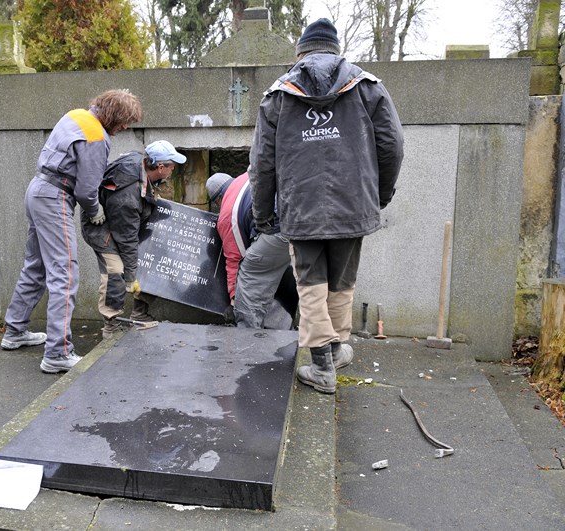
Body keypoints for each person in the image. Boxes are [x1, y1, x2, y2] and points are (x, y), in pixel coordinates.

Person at [248, 18, 404, 394]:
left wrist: (263, 213)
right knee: (341, 281)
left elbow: (261, 163)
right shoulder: (369, 87)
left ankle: (323, 364)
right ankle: (334, 352)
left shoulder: (279, 95)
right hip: (354, 205)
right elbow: (393, 145)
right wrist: (378, 195)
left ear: (300, 53)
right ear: (335, 50)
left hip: (300, 207)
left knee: (312, 285)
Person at [2, 89, 143, 374]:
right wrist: (94, 211)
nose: (126, 127)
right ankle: (58, 352)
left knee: (36, 266)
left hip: (37, 190)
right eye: (125, 121)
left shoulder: (76, 115)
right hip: (55, 198)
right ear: (115, 116)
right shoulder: (96, 137)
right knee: (65, 274)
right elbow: (86, 190)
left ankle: (14, 330)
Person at [81, 140, 186, 339]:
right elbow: (126, 239)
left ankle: (139, 313)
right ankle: (110, 328)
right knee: (115, 272)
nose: (174, 169)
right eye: (172, 165)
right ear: (161, 167)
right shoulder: (128, 196)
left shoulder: (142, 162)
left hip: (125, 221)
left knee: (155, 259)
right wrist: (130, 278)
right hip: (103, 230)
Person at [206, 172, 295, 330]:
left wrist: (234, 299)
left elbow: (236, 259)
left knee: (249, 277)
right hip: (301, 217)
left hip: (278, 228)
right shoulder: (244, 177)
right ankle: (282, 331)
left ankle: (247, 337)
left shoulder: (226, 214)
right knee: (278, 272)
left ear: (218, 200)